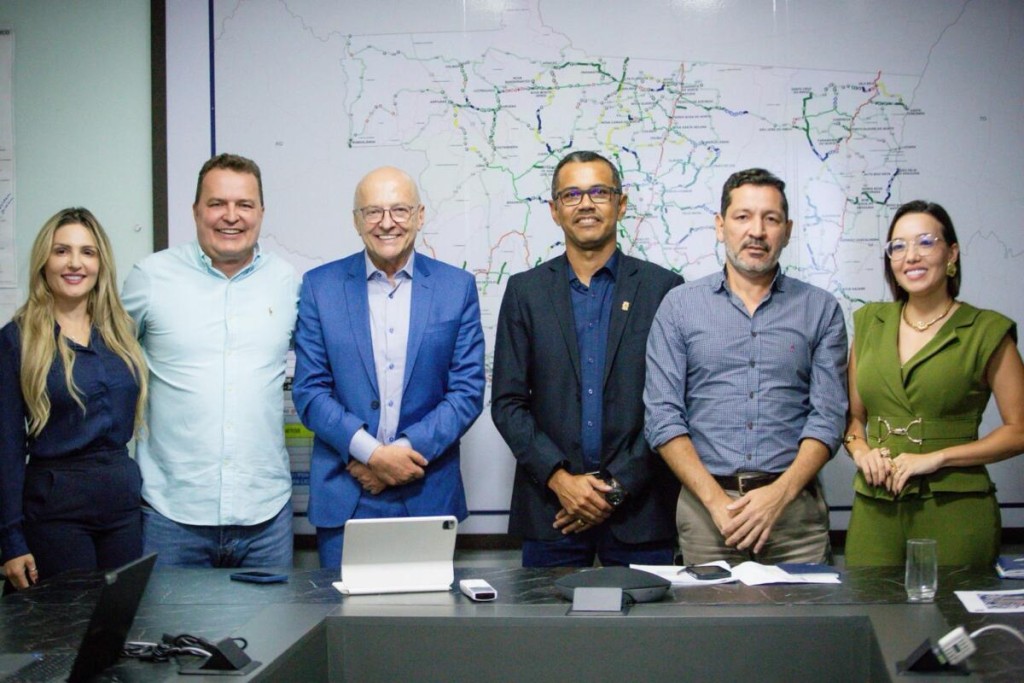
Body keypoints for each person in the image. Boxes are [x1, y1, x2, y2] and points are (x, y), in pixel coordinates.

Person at [644, 168, 848, 565]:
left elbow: (827, 418)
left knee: (806, 607)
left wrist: (778, 497)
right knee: (712, 609)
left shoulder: (820, 309)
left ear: (787, 231)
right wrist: (716, 503)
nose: (757, 231)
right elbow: (662, 416)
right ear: (720, 226)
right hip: (707, 518)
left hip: (794, 519)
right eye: (742, 217)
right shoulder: (679, 307)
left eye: (770, 219)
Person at [491, 151, 683, 567]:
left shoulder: (664, 289)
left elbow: (672, 404)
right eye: (572, 194)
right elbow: (507, 403)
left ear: (621, 204)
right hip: (552, 511)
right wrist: (561, 481)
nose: (586, 204)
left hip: (641, 512)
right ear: (555, 210)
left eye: (599, 192)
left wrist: (614, 489)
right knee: (548, 613)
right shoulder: (525, 292)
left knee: (646, 614)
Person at [292, 166, 485, 569]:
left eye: (399, 210)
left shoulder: (456, 288)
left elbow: (466, 392)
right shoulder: (319, 287)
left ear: (419, 216)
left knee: (428, 610)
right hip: (346, 492)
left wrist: (399, 457)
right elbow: (310, 391)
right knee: (342, 611)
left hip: (427, 492)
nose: (386, 223)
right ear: (356, 221)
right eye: (373, 211)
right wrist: (371, 454)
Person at [121, 153, 299, 568]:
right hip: (171, 517)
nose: (230, 216)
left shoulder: (287, 282)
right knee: (164, 617)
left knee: (274, 617)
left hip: (265, 519)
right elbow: (104, 367)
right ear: (196, 210)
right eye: (217, 203)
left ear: (261, 212)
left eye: (244, 204)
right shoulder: (150, 278)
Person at [843, 200, 1024, 567]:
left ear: (951, 253)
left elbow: (1019, 430)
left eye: (925, 242)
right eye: (898, 246)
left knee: (952, 604)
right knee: (868, 600)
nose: (911, 256)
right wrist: (861, 452)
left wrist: (937, 458)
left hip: (955, 506)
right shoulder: (869, 322)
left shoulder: (987, 330)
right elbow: (854, 419)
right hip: (876, 505)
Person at [1, 208, 147, 590]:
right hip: (56, 513)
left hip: (122, 509)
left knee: (122, 619)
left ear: (101, 264)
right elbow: (6, 447)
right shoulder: (18, 340)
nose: (75, 263)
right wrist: (10, 540)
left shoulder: (120, 334)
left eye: (87, 252)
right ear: (44, 262)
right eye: (61, 251)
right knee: (68, 623)